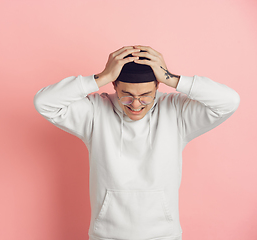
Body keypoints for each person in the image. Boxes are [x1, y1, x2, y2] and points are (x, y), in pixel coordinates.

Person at [33, 45, 240, 240]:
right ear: (114, 85)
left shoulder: (177, 112)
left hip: (163, 234)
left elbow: (229, 101)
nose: (136, 104)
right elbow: (44, 102)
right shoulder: (95, 112)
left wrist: (173, 79)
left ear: (158, 86)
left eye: (146, 96)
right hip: (107, 234)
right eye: (127, 95)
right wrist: (101, 77)